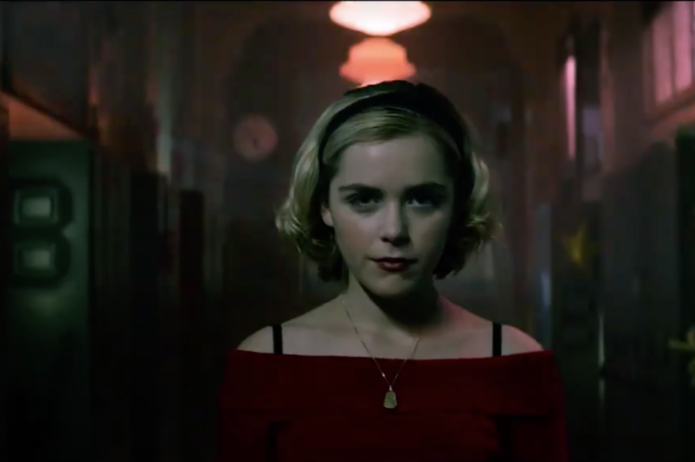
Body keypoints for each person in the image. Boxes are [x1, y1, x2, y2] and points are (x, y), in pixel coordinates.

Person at [217, 81, 567, 462]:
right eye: (364, 199)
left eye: (422, 199)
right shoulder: (267, 361)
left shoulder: (512, 361)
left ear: (457, 207)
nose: (394, 230)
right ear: (325, 206)